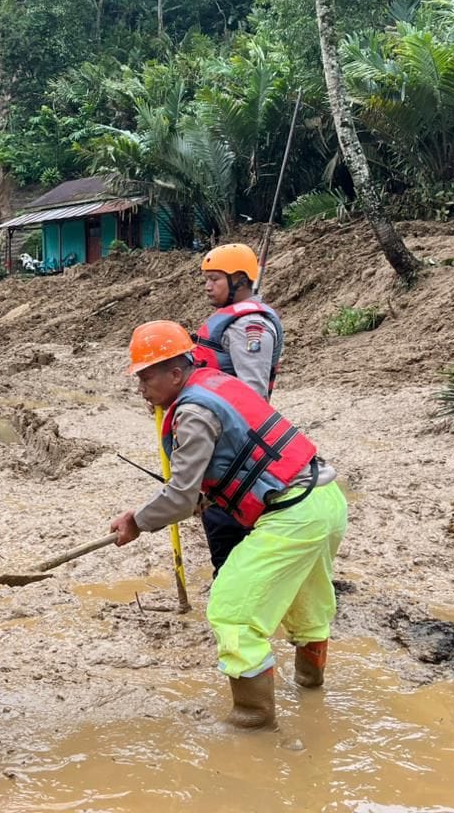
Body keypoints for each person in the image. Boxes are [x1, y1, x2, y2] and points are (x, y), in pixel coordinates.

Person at [110, 320, 347, 730]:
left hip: (293, 513)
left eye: (146, 378)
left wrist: (138, 521)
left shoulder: (194, 412)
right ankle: (311, 692)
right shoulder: (215, 385)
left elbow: (180, 497)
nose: (141, 389)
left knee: (231, 612)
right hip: (325, 499)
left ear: (176, 373)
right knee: (307, 609)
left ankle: (251, 724)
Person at [191, 242, 286, 578]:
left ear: (241, 281)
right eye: (206, 278)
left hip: (236, 442)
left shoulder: (250, 327)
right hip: (220, 435)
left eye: (214, 278)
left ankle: (235, 585)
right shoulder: (230, 322)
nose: (206, 286)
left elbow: (253, 393)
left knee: (225, 518)